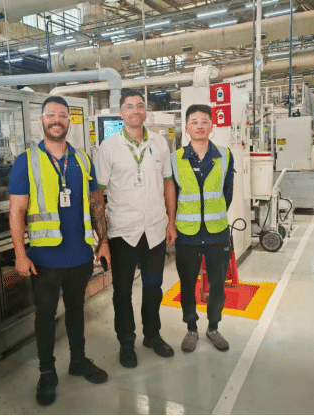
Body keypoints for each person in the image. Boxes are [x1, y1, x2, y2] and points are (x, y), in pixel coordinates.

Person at [8, 96, 110, 406]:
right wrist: (20, 254)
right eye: (50, 114)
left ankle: (78, 361)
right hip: (45, 258)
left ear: (69, 121)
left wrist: (103, 241)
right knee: (45, 315)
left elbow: (96, 202)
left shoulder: (82, 160)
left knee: (77, 310)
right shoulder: (26, 161)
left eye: (62, 115)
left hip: (79, 254)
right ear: (41, 121)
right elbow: (17, 210)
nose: (56, 120)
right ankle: (47, 372)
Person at [95, 90, 177, 368]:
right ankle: (126, 342)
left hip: (154, 229)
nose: (135, 110)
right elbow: (98, 194)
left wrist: (171, 222)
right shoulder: (108, 147)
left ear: (146, 111)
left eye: (140, 106)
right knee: (122, 291)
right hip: (122, 231)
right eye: (129, 107)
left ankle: (152, 336)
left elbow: (168, 183)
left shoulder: (160, 143)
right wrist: (102, 238)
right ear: (121, 113)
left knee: (153, 287)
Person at [171, 104, 235, 353]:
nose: (199, 126)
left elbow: (227, 192)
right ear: (187, 128)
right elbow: (172, 195)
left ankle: (213, 327)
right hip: (187, 232)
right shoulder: (175, 158)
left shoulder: (225, 155)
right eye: (194, 122)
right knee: (187, 283)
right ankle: (191, 328)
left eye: (204, 121)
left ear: (212, 126)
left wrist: (212, 213)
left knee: (217, 284)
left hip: (216, 231)